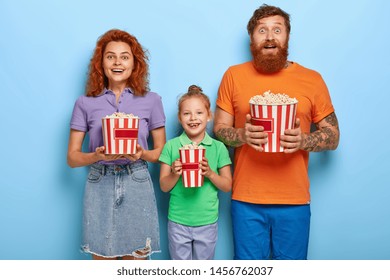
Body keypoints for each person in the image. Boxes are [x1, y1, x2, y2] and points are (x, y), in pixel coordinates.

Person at [213, 4, 340, 260]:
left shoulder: (312, 79)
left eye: (277, 29)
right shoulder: (234, 76)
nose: (270, 36)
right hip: (246, 199)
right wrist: (242, 136)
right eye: (262, 30)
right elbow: (219, 130)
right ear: (252, 38)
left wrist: (305, 140)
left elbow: (333, 135)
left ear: (287, 36)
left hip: (294, 200)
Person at [67, 29, 166, 260]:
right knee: (102, 260)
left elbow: (162, 152)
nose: (117, 62)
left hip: (137, 179)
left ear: (135, 63)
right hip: (99, 181)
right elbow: (72, 157)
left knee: (136, 262)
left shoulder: (151, 101)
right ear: (101, 63)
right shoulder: (85, 103)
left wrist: (142, 153)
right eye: (110, 56)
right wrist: (96, 156)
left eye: (124, 56)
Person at [159, 85, 232, 260]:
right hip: (178, 221)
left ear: (209, 116)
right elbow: (163, 186)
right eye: (186, 113)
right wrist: (175, 173)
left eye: (199, 113)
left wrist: (210, 174)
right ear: (179, 117)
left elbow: (227, 185)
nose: (193, 118)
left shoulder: (218, 147)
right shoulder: (171, 146)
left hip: (207, 221)